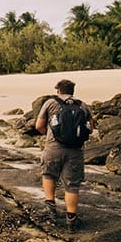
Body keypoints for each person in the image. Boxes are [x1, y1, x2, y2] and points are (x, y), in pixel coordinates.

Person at [35, 79, 95, 231]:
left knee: (49, 175)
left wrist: (48, 134)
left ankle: (51, 209)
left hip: (53, 147)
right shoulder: (83, 105)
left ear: (58, 90)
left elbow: (39, 126)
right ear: (72, 91)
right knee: (72, 185)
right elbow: (91, 129)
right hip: (75, 150)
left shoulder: (50, 103)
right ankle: (71, 220)